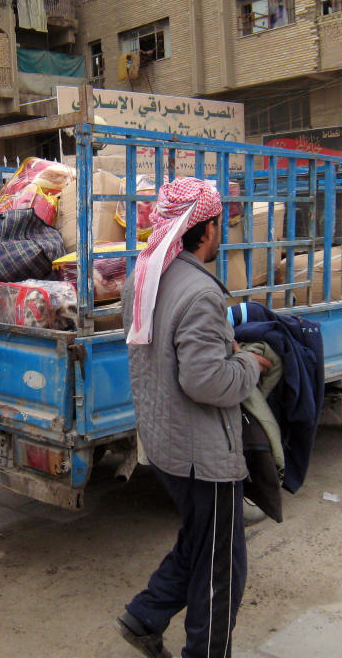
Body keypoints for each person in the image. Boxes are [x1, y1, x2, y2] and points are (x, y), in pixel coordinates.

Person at [117, 178, 272, 658]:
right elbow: (206, 382)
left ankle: (144, 616)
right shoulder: (200, 293)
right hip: (202, 455)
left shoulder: (143, 276)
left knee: (200, 539)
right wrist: (250, 362)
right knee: (221, 568)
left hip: (166, 444)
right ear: (205, 228)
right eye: (219, 223)